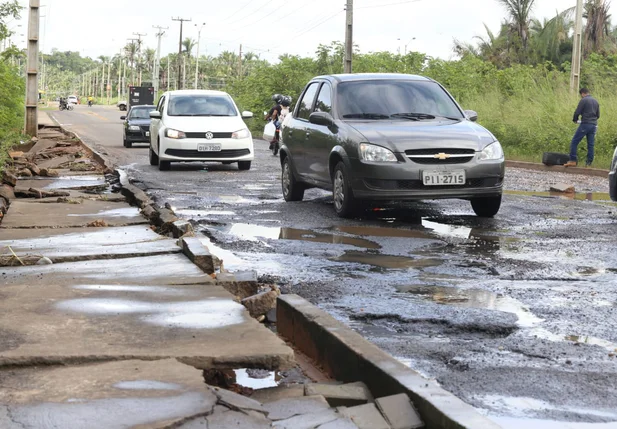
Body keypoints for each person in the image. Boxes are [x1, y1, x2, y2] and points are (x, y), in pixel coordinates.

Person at [565, 88, 600, 167]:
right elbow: (598, 115)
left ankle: (573, 160)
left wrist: (575, 119)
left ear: (583, 93)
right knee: (590, 144)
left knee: (574, 142)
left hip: (585, 124)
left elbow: (577, 111)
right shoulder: (596, 101)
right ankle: (589, 163)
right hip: (594, 125)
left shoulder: (583, 100)